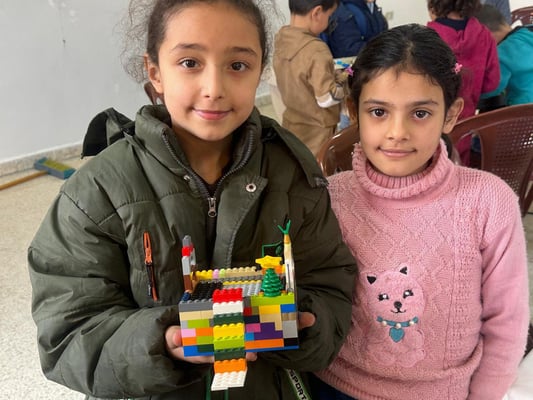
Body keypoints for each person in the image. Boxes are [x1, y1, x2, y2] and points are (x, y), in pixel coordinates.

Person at [27, 1, 358, 399]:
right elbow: (67, 335)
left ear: (259, 72)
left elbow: (331, 284)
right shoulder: (97, 191)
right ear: (155, 72)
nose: (214, 88)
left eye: (238, 65)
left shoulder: (292, 173)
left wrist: (303, 325)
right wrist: (161, 343)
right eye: (189, 63)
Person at [309, 24, 530, 400]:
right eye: (379, 111)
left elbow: (506, 321)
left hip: (443, 392)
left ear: (451, 114)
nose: (397, 131)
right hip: (335, 385)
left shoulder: (489, 202)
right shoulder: (330, 198)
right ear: (354, 112)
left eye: (420, 113)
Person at [427, 0, 500, 166]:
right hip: (466, 121)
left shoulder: (428, 37)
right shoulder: (484, 34)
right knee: (460, 169)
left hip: (431, 121)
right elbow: (491, 83)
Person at [273, 0, 345, 156]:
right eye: (330, 15)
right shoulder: (316, 49)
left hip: (292, 122)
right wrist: (343, 81)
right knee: (319, 166)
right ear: (317, 13)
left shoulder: (282, 38)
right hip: (318, 130)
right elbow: (327, 98)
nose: (330, 20)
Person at [476, 4, 533, 106]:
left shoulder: (502, 53)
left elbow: (492, 88)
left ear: (486, 34)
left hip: (525, 108)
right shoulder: (527, 32)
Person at [320, 0, 388, 58]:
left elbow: (384, 35)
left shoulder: (372, 6)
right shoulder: (343, 10)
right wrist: (382, 49)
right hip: (353, 66)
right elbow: (349, 50)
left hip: (375, 62)